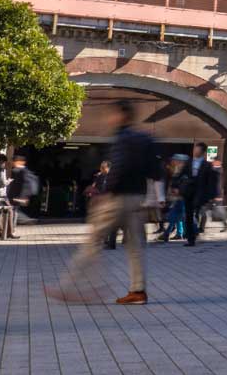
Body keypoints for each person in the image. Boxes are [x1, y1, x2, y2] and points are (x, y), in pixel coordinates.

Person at [49, 99, 156, 305]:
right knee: (135, 246)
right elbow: (155, 171)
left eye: (112, 114)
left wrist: (105, 192)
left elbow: (119, 167)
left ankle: (67, 286)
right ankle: (138, 290)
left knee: (93, 241)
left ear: (122, 115)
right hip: (137, 198)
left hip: (117, 199)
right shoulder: (145, 139)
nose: (109, 118)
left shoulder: (122, 138)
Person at [180, 142, 216, 247]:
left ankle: (195, 232)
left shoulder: (207, 165)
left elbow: (211, 181)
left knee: (197, 213)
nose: (195, 151)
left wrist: (211, 196)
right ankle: (191, 239)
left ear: (203, 152)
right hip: (189, 191)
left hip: (200, 192)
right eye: (195, 149)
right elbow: (181, 173)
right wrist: (175, 185)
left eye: (198, 150)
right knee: (189, 215)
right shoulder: (189, 162)